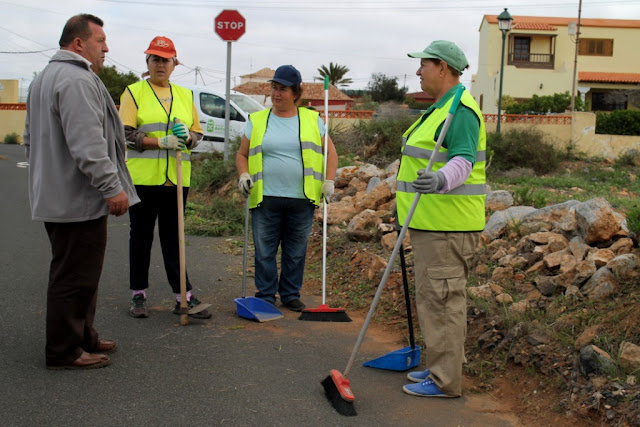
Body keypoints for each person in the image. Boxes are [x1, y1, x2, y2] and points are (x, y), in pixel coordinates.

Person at [24, 14, 139, 369]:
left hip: (59, 196)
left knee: (81, 274)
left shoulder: (45, 78)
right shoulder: (75, 80)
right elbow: (89, 145)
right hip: (77, 200)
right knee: (73, 277)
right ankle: (64, 351)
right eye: (100, 41)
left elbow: (30, 140)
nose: (106, 48)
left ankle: (83, 336)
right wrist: (112, 187)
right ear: (79, 44)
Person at [395, 40, 486, 397]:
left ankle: (446, 381)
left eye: (424, 65)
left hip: (449, 228)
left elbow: (462, 161)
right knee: (434, 300)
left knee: (445, 301)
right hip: (431, 224)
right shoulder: (438, 109)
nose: (418, 72)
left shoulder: (460, 110)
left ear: (443, 68)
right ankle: (438, 369)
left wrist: (440, 179)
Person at [119, 36, 209, 319]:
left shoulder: (185, 95)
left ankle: (183, 296)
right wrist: (159, 143)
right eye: (155, 59)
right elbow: (125, 133)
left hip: (177, 179)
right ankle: (138, 294)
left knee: (174, 237)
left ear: (174, 63)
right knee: (141, 237)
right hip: (143, 179)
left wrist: (189, 137)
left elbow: (197, 134)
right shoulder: (134, 93)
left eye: (165, 59)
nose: (160, 64)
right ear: (147, 63)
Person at [235, 65, 337, 311]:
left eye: (283, 89)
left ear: (295, 93)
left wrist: (329, 180)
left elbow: (330, 153)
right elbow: (242, 154)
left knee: (295, 252)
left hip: (302, 198)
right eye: (274, 88)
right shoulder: (257, 120)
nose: (276, 94)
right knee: (265, 251)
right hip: (265, 196)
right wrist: (243, 174)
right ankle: (266, 296)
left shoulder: (313, 119)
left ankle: (290, 294)